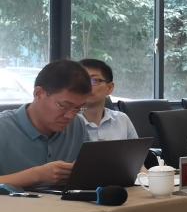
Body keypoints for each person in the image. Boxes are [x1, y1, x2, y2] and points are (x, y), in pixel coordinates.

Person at [0, 60, 90, 188]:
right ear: (38, 93)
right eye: (63, 105)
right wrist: (37, 175)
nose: (70, 116)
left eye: (78, 108)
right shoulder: (4, 127)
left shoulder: (77, 125)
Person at [77, 58, 138, 141]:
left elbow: (136, 149)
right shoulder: (66, 121)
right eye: (81, 80)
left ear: (109, 88)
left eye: (94, 80)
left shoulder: (122, 119)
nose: (86, 86)